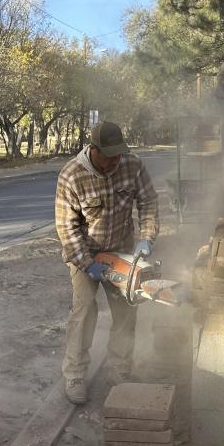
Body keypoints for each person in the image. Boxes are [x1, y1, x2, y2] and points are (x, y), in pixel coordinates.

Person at [55, 121, 159, 404]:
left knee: (126, 312)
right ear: (94, 149)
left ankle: (119, 369)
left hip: (122, 251)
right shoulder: (71, 176)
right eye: (109, 155)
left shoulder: (132, 165)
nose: (115, 160)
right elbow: (67, 229)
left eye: (118, 154)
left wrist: (146, 238)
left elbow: (148, 203)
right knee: (85, 310)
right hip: (84, 255)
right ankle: (75, 374)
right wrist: (88, 264)